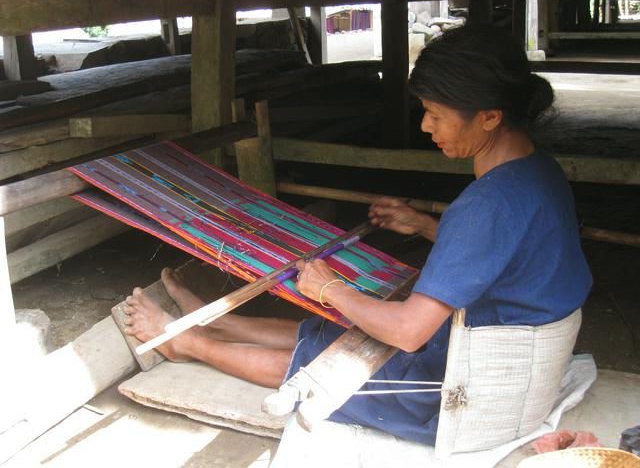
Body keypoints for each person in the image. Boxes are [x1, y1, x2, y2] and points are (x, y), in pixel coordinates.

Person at [123, 24, 592, 445]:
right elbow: (513, 253)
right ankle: (217, 322)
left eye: (435, 113)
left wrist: (329, 288)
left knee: (320, 367)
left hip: (467, 396)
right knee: (333, 331)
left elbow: (409, 333)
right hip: (512, 362)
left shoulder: (485, 206)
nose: (425, 125)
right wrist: (427, 226)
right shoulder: (536, 171)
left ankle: (186, 343)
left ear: (489, 116)